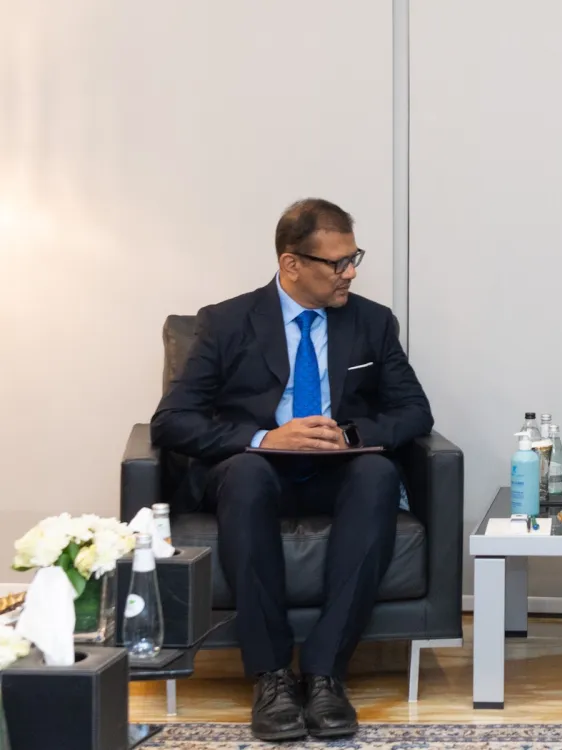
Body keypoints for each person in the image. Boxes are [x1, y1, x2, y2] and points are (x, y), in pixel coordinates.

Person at [151, 198, 433, 742]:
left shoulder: (372, 322)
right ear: (292, 264)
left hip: (335, 471)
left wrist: (349, 437)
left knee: (377, 474)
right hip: (255, 474)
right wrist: (264, 439)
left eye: (354, 258)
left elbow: (414, 411)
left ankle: (326, 673)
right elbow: (172, 421)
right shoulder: (226, 322)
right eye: (338, 263)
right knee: (249, 474)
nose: (350, 272)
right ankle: (272, 676)